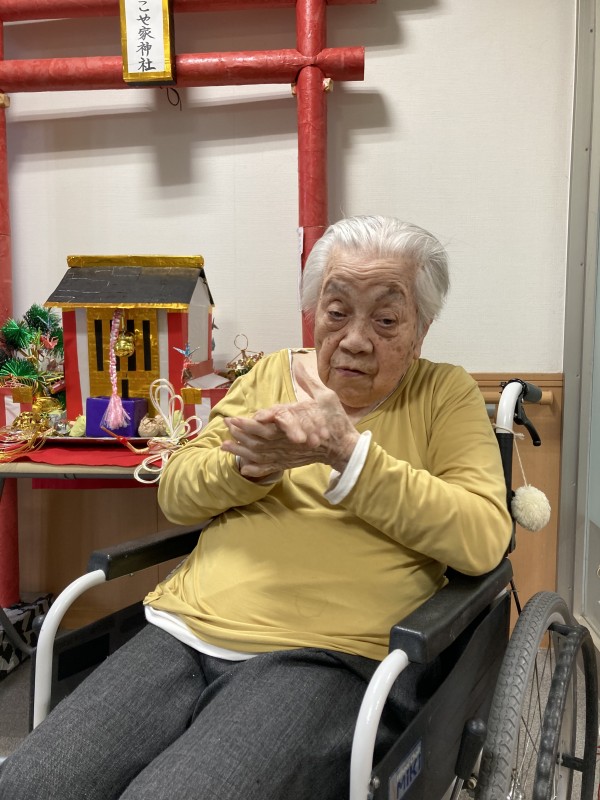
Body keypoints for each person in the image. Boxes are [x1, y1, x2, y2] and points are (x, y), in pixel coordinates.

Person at [0, 216, 512, 800]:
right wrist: (248, 468)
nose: (354, 339)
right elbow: (177, 490)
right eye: (337, 311)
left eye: (386, 320)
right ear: (314, 313)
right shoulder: (271, 375)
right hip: (183, 628)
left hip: (327, 655)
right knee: (28, 784)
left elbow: (482, 538)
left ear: (420, 331)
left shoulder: (444, 394)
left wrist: (349, 456)